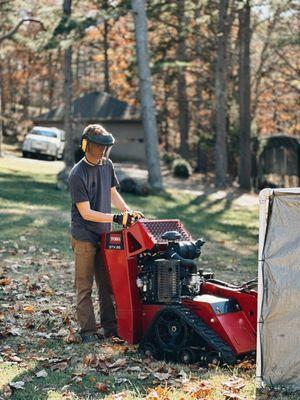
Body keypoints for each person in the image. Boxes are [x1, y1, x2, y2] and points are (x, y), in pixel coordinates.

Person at [68, 124, 143, 343]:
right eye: (98, 147)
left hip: (104, 235)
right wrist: (116, 218)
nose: (102, 151)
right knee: (84, 287)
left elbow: (112, 193)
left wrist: (128, 212)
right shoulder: (77, 174)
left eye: (105, 147)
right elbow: (86, 212)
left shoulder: (107, 165)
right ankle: (88, 332)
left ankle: (111, 329)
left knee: (107, 285)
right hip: (84, 237)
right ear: (86, 145)